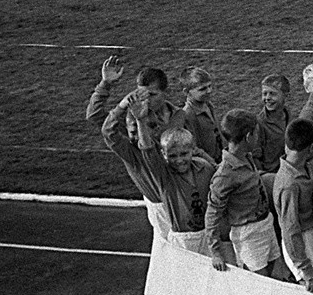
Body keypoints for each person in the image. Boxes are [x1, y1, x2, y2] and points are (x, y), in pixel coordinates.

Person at [92, 57, 189, 238]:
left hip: (186, 192)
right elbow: (96, 116)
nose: (146, 100)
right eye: (142, 94)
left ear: (164, 92)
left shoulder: (180, 115)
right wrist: (106, 84)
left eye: (152, 95)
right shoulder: (133, 120)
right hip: (158, 198)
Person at [206, 109, 281, 276]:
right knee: (257, 280)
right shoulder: (224, 175)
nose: (258, 138)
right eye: (256, 134)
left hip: (265, 223)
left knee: (272, 272)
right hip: (248, 233)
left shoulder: (246, 156)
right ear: (248, 137)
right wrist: (215, 252)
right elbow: (212, 214)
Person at [135, 124, 217, 256]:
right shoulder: (164, 176)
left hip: (208, 233)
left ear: (192, 150)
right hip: (183, 240)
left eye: (184, 154)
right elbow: (148, 151)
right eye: (172, 156)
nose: (179, 160)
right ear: (164, 154)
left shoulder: (205, 168)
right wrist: (140, 121)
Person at [273, 118, 313, 292]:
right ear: (312, 147)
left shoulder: (306, 166)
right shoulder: (288, 185)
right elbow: (290, 230)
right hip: (304, 245)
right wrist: (306, 270)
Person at [249, 73, 292, 173]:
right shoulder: (259, 124)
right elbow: (255, 157)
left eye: (272, 93)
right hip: (271, 174)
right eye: (264, 93)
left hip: (288, 171)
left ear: (286, 95)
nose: (267, 98)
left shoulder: (289, 116)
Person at [179, 67, 222, 161]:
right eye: (202, 89)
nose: (209, 91)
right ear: (186, 92)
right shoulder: (187, 115)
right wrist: (212, 163)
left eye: (210, 86)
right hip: (208, 164)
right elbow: (193, 147)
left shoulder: (208, 104)